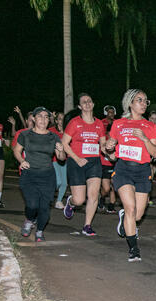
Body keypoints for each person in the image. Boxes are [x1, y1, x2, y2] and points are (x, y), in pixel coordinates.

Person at [105, 89, 156, 261]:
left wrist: (144, 139)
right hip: (123, 169)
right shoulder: (119, 124)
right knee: (130, 208)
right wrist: (109, 146)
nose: (143, 104)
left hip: (142, 170)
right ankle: (133, 249)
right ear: (130, 103)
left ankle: (124, 218)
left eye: (145, 101)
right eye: (139, 100)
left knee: (137, 215)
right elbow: (111, 151)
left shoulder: (149, 126)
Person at [12, 107, 66, 241]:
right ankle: (29, 220)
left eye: (46, 117)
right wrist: (22, 160)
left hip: (47, 175)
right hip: (29, 174)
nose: (43, 119)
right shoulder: (25, 134)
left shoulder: (53, 136)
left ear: (49, 120)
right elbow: (16, 151)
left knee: (44, 207)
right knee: (32, 205)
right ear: (34, 119)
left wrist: (61, 150)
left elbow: (61, 158)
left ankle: (40, 231)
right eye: (40, 116)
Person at [62, 93, 106, 236]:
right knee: (79, 200)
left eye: (89, 101)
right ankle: (71, 202)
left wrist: (110, 149)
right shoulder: (75, 123)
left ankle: (87, 225)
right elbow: (64, 143)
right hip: (76, 162)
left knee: (94, 195)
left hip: (94, 162)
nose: (87, 103)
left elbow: (103, 145)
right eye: (84, 102)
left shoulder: (99, 124)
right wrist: (76, 158)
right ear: (80, 107)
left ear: (93, 104)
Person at [49, 112, 68, 209]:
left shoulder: (67, 131)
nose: (61, 121)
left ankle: (59, 201)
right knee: (59, 182)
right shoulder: (52, 131)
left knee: (64, 183)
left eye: (63, 119)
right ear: (56, 121)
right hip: (54, 159)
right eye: (60, 119)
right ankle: (47, 194)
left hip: (65, 160)